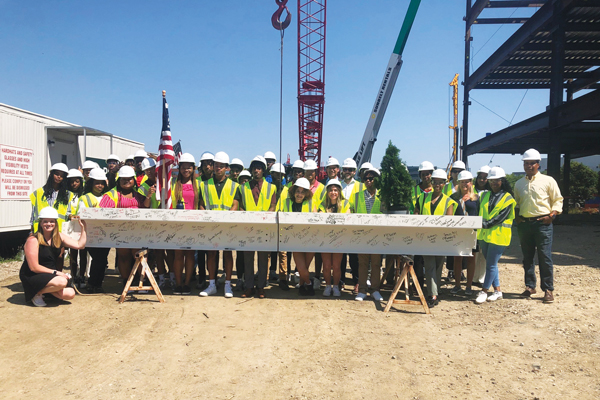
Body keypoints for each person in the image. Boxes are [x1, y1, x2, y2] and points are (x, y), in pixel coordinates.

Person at [514, 148, 563, 304]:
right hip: (525, 225)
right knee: (527, 257)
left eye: (531, 163)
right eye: (526, 163)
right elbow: (516, 203)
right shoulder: (519, 184)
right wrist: (517, 218)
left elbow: (558, 199)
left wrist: (552, 215)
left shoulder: (548, 181)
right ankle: (530, 286)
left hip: (543, 223)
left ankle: (548, 289)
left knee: (544, 257)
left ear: (538, 164)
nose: (528, 166)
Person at [20, 207, 87, 307]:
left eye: (52, 221)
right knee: (62, 281)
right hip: (33, 275)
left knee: (70, 293)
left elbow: (79, 245)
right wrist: (57, 273)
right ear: (41, 223)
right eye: (45, 221)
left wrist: (83, 228)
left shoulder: (59, 236)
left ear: (55, 223)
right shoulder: (33, 240)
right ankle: (35, 293)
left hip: (49, 275)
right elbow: (34, 267)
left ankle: (44, 292)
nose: (49, 224)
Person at [99, 166, 150, 286]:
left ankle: (141, 280)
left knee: (137, 254)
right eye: (124, 179)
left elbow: (146, 208)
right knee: (123, 256)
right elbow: (104, 211)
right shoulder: (111, 195)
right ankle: (126, 281)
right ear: (119, 180)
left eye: (129, 179)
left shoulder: (139, 195)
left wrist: (148, 197)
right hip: (120, 231)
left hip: (137, 231)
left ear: (133, 180)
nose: (127, 181)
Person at [235, 156, 277, 298]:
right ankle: (249, 287)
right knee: (248, 258)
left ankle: (261, 287)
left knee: (263, 258)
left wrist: (264, 218)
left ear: (264, 170)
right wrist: (247, 217)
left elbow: (273, 206)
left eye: (259, 168)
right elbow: (240, 207)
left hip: (264, 228)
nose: (256, 170)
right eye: (254, 168)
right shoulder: (242, 188)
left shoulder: (272, 187)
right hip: (248, 228)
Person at [414, 168, 456, 308]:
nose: (437, 184)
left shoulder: (448, 202)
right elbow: (416, 216)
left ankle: (435, 291)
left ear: (444, 184)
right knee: (430, 265)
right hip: (426, 239)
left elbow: (449, 221)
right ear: (431, 182)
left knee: (438, 266)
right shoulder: (422, 198)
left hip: (441, 240)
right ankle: (432, 294)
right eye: (435, 182)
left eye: (440, 182)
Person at [199, 151, 239, 298]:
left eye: (221, 166)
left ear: (227, 168)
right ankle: (212, 285)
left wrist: (226, 219)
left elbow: (235, 204)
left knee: (228, 253)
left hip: (227, 225)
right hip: (211, 225)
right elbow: (202, 204)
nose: (218, 168)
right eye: (216, 165)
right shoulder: (204, 185)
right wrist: (207, 217)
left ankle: (228, 285)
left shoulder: (234, 185)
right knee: (211, 254)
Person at [475, 167, 516, 304]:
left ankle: (484, 291)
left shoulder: (508, 198)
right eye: (491, 180)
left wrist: (484, 224)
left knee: (491, 265)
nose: (493, 183)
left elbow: (500, 217)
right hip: (485, 235)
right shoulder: (484, 195)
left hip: (498, 236)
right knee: (491, 264)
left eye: (496, 180)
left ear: (502, 181)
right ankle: (498, 291)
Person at [350, 168, 384, 302]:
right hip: (362, 233)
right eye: (366, 179)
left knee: (376, 263)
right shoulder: (357, 196)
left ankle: (375, 290)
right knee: (362, 263)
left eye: (371, 178)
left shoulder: (383, 195)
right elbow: (350, 211)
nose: (368, 181)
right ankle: (362, 290)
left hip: (377, 233)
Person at [167, 153, 199, 295]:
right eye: (183, 167)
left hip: (193, 224)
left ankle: (187, 283)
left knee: (190, 255)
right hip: (178, 224)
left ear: (193, 168)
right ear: (179, 168)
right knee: (178, 254)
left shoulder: (199, 185)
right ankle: (178, 284)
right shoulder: (173, 184)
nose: (186, 170)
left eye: (189, 168)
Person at [281, 178, 316, 295]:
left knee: (305, 267)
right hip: (295, 240)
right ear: (293, 191)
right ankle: (309, 283)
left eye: (302, 192)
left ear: (306, 193)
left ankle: (302, 285)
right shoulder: (286, 202)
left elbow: (316, 220)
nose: (299, 194)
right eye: (298, 191)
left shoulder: (311, 203)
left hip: (310, 240)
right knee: (301, 268)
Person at [77, 168, 110, 292]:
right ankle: (92, 283)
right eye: (97, 182)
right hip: (91, 233)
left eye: (102, 183)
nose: (100, 185)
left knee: (103, 259)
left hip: (105, 233)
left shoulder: (107, 197)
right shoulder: (85, 198)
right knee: (98, 258)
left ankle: (97, 283)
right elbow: (81, 214)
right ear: (91, 183)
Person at [449, 171, 479, 296]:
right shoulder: (454, 198)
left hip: (472, 232)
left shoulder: (477, 198)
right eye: (462, 182)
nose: (464, 184)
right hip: (458, 232)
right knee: (457, 258)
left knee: (471, 258)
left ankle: (468, 286)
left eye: (466, 182)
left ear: (471, 182)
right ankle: (457, 285)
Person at [318, 179, 349, 297]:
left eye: (335, 190)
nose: (333, 192)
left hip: (339, 238)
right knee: (326, 265)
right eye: (331, 190)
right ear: (327, 192)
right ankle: (327, 286)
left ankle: (335, 287)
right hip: (325, 238)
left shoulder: (345, 204)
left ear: (339, 192)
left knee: (336, 266)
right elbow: (320, 217)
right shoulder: (323, 204)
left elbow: (347, 217)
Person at [304, 159, 326, 285]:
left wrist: (319, 214)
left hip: (318, 222)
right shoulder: (302, 186)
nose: (309, 173)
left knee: (318, 252)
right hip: (304, 223)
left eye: (311, 171)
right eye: (307, 171)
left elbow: (324, 204)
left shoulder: (322, 188)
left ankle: (317, 275)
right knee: (304, 250)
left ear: (315, 172)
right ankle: (303, 274)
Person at [269, 163, 291, 290]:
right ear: (271, 175)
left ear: (283, 176)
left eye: (280, 174)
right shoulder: (268, 189)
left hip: (283, 223)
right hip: (270, 223)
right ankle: (265, 277)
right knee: (267, 252)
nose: (277, 176)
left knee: (283, 253)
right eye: (275, 174)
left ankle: (283, 278)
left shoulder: (287, 191)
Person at [195, 151, 214, 290]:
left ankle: (213, 277)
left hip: (215, 221)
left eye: (210, 163)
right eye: (205, 164)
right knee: (200, 251)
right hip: (200, 220)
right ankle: (201, 277)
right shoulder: (197, 182)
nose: (207, 166)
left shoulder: (217, 181)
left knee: (214, 252)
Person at [340, 158, 359, 292]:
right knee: (341, 255)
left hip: (354, 224)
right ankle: (340, 280)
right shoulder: (338, 185)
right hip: (341, 224)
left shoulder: (360, 186)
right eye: (345, 169)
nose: (348, 172)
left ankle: (357, 281)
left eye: (350, 170)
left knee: (354, 256)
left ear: (354, 171)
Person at [66, 168, 86, 287]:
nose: (74, 184)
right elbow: (65, 210)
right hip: (72, 227)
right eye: (72, 181)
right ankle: (74, 277)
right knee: (73, 253)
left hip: (82, 226)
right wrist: (70, 215)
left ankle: (82, 277)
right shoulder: (66, 195)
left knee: (83, 253)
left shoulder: (85, 195)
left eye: (77, 181)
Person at [234, 170, 252, 290]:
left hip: (250, 227)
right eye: (242, 180)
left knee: (249, 257)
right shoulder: (238, 191)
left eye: (247, 180)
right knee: (240, 255)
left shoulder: (251, 192)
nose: (244, 182)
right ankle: (240, 278)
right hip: (239, 227)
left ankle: (247, 279)